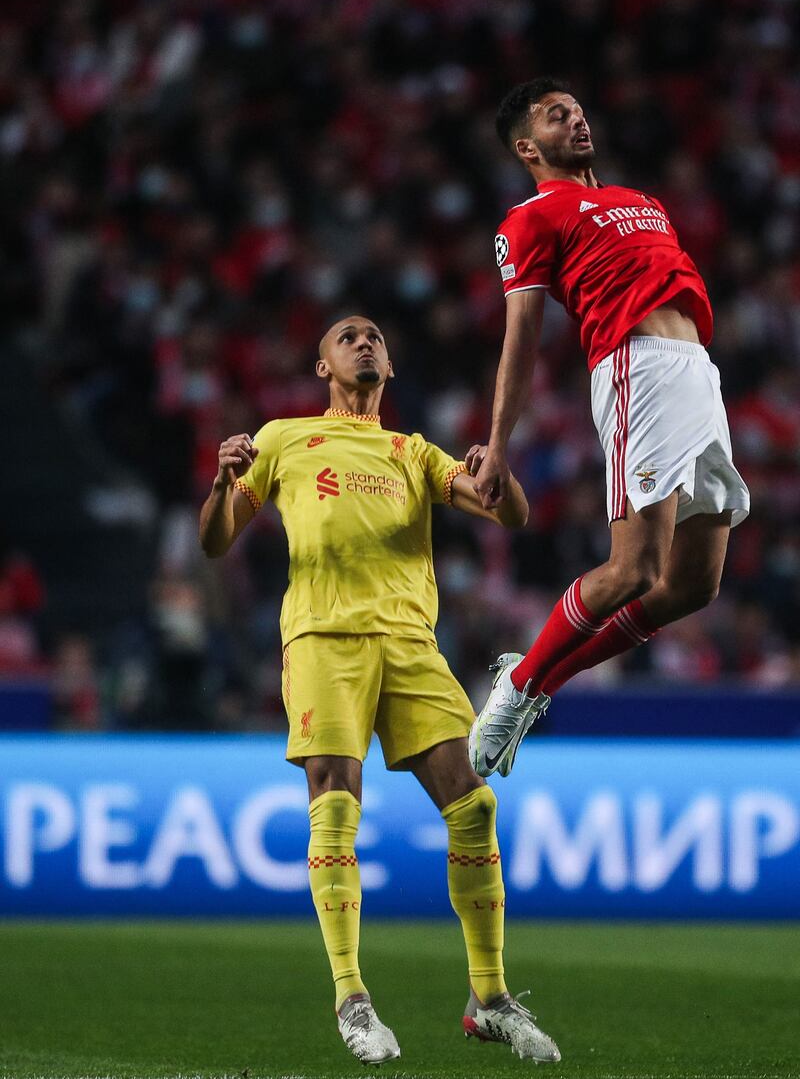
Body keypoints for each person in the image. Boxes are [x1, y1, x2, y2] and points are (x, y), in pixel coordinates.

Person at [199, 315, 560, 1067]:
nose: (364, 342)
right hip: (324, 636)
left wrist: (497, 467)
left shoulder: (412, 451)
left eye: (374, 338)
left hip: (410, 643)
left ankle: (488, 999)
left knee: (474, 801)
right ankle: (351, 996)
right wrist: (220, 480)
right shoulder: (282, 438)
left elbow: (513, 514)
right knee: (335, 798)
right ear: (323, 364)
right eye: (347, 336)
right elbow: (216, 539)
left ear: (389, 366)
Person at [469, 77, 750, 778]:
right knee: (634, 568)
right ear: (529, 147)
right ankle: (519, 684)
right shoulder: (530, 218)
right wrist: (499, 444)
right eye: (556, 115)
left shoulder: (640, 202)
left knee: (692, 584)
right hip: (638, 370)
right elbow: (522, 336)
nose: (576, 119)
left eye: (578, 109)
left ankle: (538, 680)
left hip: (696, 372)